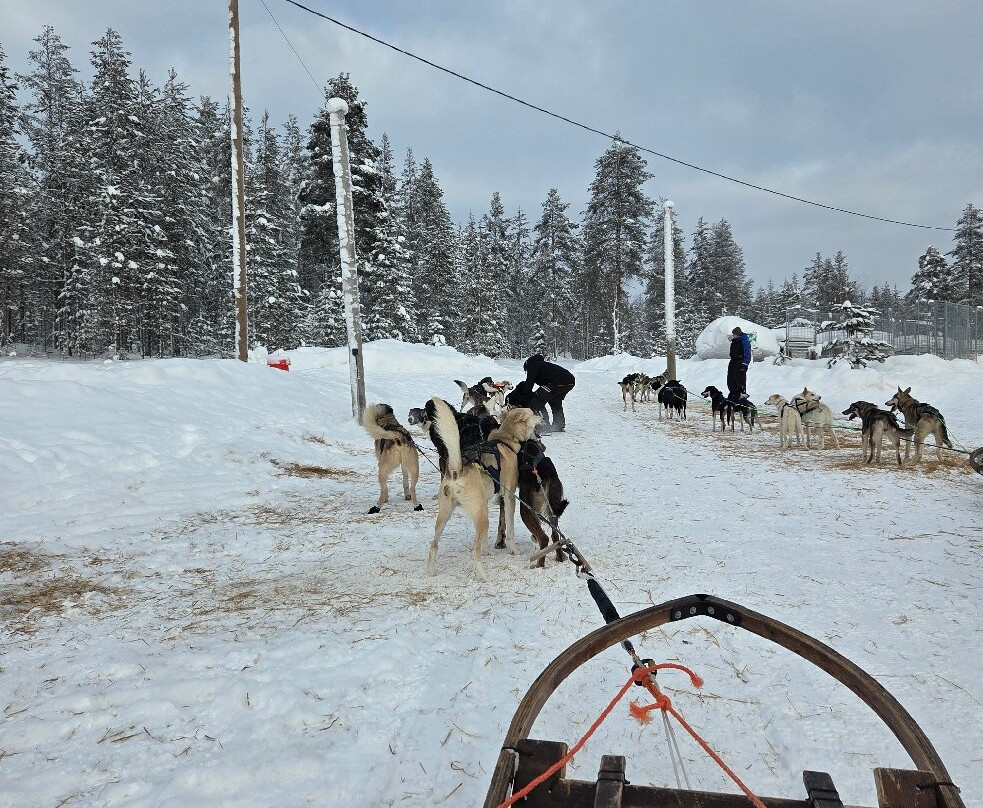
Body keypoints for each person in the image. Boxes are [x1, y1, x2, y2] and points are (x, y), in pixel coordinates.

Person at [523, 354, 576, 432]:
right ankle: (558, 425)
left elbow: (529, 383)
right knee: (555, 401)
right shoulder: (544, 366)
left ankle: (544, 426)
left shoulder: (533, 365)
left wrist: (525, 396)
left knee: (537, 400)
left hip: (557, 382)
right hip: (570, 381)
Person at [727, 326, 752, 398]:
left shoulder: (744, 341)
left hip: (740, 363)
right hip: (733, 362)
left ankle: (742, 398)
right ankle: (733, 396)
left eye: (734, 334)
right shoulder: (735, 341)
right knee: (731, 381)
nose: (733, 335)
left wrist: (744, 364)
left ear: (737, 334)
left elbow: (747, 353)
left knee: (740, 382)